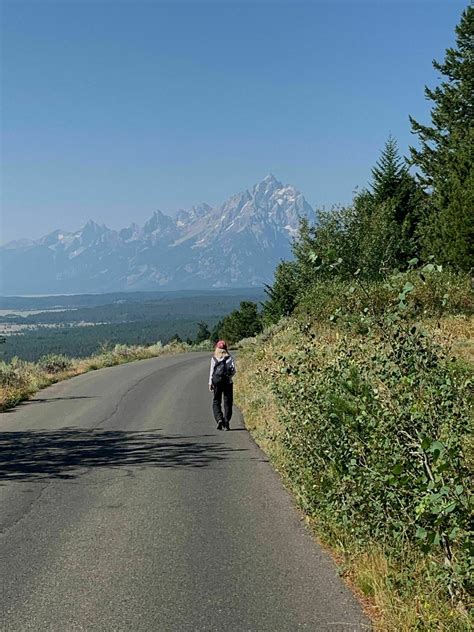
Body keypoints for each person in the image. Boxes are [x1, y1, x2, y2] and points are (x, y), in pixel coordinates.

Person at [209, 340, 236, 431]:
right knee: (227, 402)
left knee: (216, 401)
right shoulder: (229, 358)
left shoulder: (214, 358)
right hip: (227, 382)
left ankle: (219, 419)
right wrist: (229, 376)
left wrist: (210, 383)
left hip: (217, 382)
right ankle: (226, 421)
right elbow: (233, 371)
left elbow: (212, 372)